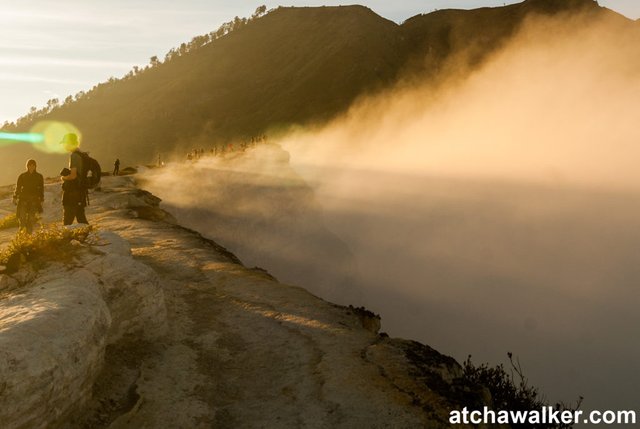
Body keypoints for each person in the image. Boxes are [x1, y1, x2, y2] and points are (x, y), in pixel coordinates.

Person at [60, 133, 89, 225]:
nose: (64, 145)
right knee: (81, 219)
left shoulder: (74, 156)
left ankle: (65, 239)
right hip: (81, 192)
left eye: (65, 143)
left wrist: (63, 178)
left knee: (67, 222)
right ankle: (91, 237)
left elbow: (73, 175)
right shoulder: (82, 155)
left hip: (72, 194)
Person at [13, 159, 44, 234]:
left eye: (33, 165)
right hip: (23, 200)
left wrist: (41, 199)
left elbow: (41, 188)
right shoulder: (22, 176)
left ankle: (29, 236)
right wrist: (15, 197)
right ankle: (21, 235)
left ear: (35, 166)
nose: (31, 166)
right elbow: (18, 187)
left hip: (34, 200)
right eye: (30, 165)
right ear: (27, 166)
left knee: (31, 218)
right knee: (22, 218)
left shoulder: (39, 176)